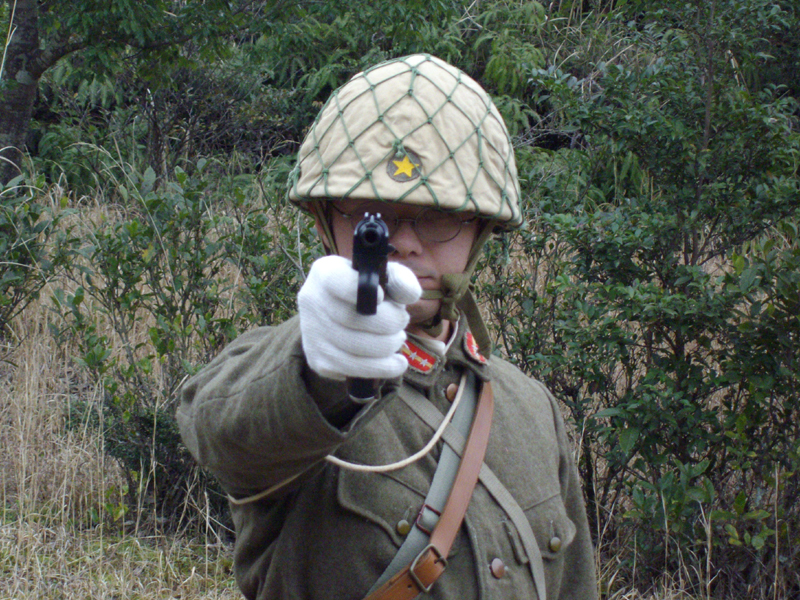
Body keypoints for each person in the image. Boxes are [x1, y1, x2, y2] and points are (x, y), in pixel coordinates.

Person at [177, 54, 597, 600]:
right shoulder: (303, 384)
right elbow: (216, 424)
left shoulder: (532, 411)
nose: (403, 241)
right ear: (328, 222)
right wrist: (315, 363)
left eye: (441, 217)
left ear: (481, 234)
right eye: (367, 213)